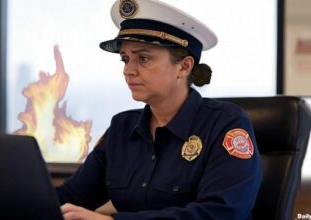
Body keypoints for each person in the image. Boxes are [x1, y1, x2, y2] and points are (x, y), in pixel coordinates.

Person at [56, 0, 262, 219]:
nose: (128, 71)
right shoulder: (121, 128)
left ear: (184, 67)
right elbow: (71, 196)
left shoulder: (225, 124)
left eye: (143, 58)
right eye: (125, 60)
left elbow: (222, 213)